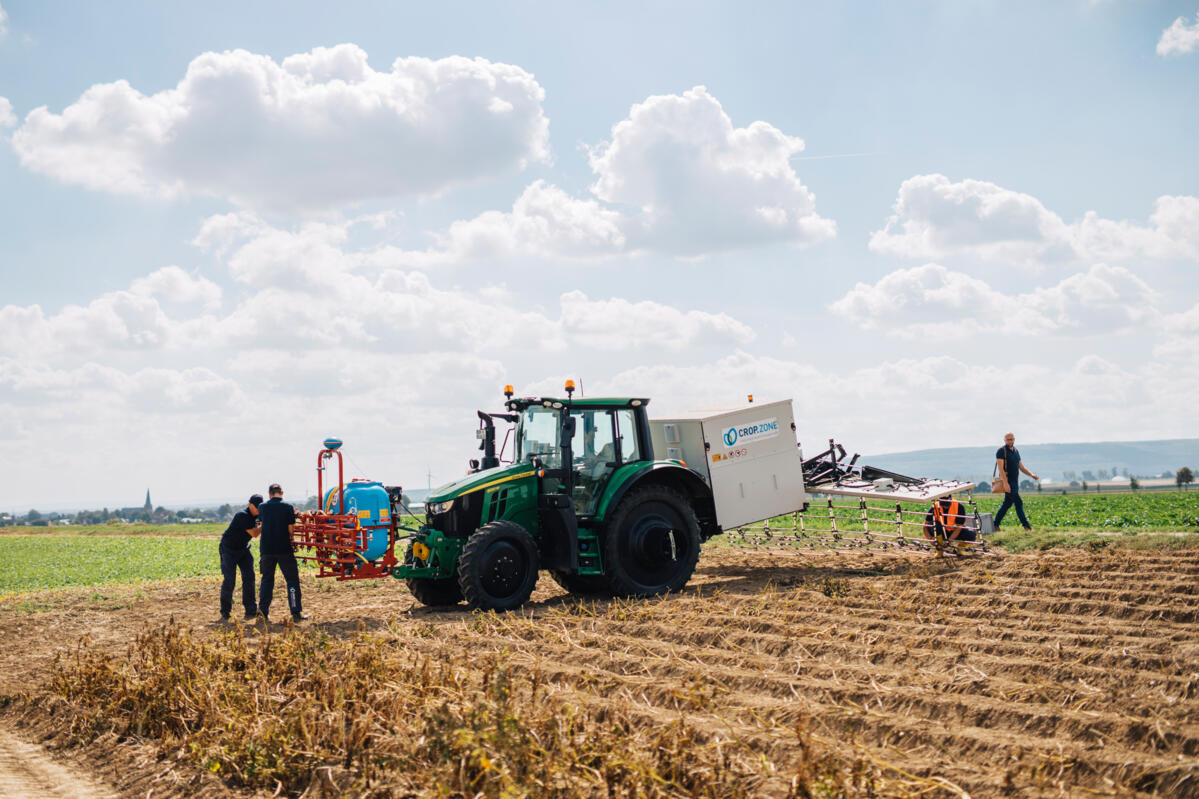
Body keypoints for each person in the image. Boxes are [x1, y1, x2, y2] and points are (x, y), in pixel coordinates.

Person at [257, 483, 307, 623]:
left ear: (270, 494)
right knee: (292, 580)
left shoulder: (262, 507)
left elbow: (261, 524)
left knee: (267, 580)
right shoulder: (287, 507)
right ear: (282, 492)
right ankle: (295, 612)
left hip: (266, 550)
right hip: (284, 549)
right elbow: (291, 530)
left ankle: (262, 612)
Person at [219, 494, 262, 621]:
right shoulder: (242, 515)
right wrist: (265, 524)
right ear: (250, 505)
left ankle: (251, 610)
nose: (258, 510)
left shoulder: (258, 516)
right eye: (256, 507)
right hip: (229, 549)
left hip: (243, 548)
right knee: (229, 580)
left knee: (249, 577)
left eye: (260, 507)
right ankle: (225, 611)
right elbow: (254, 533)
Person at [995, 432, 1039, 531]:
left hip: (1015, 482)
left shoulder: (1016, 451)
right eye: (1008, 440)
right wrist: (1005, 484)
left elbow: (1021, 467)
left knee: (1007, 504)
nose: (1010, 441)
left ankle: (995, 524)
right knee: (1018, 502)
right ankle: (1026, 526)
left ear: (1014, 439)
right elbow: (1001, 469)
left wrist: (1031, 475)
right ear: (1004, 440)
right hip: (1007, 482)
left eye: (1012, 439)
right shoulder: (1001, 451)